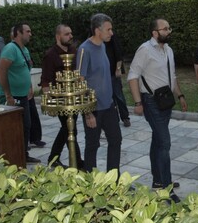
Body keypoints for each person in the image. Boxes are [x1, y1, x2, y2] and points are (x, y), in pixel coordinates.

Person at [128, 18, 188, 202]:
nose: (169, 31)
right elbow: (132, 76)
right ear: (155, 33)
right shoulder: (145, 50)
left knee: (158, 140)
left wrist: (180, 95)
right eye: (165, 29)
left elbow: (173, 75)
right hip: (151, 101)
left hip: (166, 101)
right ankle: (166, 188)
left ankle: (158, 180)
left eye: (169, 28)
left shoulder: (168, 50)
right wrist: (138, 103)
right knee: (164, 142)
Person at [78, 14, 122, 172]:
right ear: (98, 30)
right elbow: (80, 81)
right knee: (92, 144)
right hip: (93, 108)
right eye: (108, 29)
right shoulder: (84, 49)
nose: (112, 33)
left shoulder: (103, 46)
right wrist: (88, 113)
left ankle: (113, 180)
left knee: (116, 140)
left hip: (108, 105)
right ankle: (91, 182)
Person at [0, 23, 40, 164]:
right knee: (11, 127)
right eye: (28, 31)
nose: (30, 34)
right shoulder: (10, 49)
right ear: (18, 33)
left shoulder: (24, 49)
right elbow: (2, 71)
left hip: (22, 94)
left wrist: (29, 87)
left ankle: (22, 154)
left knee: (25, 125)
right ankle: (9, 155)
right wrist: (8, 95)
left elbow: (26, 69)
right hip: (10, 96)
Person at [41, 24, 83, 169]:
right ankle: (77, 161)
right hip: (59, 97)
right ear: (58, 37)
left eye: (71, 33)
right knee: (69, 129)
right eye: (67, 34)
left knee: (67, 129)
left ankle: (53, 158)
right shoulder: (51, 55)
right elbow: (45, 80)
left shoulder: (74, 51)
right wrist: (50, 102)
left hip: (73, 95)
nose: (70, 36)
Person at [105, 34, 131, 127]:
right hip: (103, 73)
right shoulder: (93, 36)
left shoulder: (111, 36)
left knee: (118, 95)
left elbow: (118, 53)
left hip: (113, 71)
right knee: (109, 97)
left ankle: (125, 117)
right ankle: (114, 118)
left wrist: (118, 68)